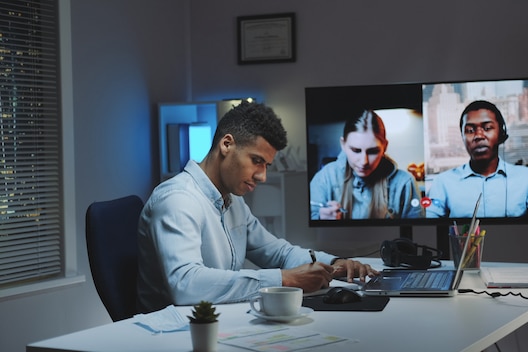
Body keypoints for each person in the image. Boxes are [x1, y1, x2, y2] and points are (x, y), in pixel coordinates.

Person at [137, 101, 377, 313]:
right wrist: (285, 280)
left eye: (267, 165)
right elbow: (186, 285)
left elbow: (278, 253)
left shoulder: (233, 201)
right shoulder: (178, 200)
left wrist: (334, 263)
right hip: (174, 336)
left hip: (217, 322)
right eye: (256, 161)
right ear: (227, 144)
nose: (262, 176)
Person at [426, 100, 528, 218]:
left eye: (487, 128)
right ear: (462, 137)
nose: (479, 136)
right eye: (470, 130)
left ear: (501, 133)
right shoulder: (443, 182)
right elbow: (430, 230)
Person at [309, 109, 421, 220]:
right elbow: (308, 222)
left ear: (385, 146)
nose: (364, 162)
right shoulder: (324, 178)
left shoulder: (405, 183)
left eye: (373, 151)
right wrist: (320, 218)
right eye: (356, 150)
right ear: (343, 145)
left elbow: (417, 231)